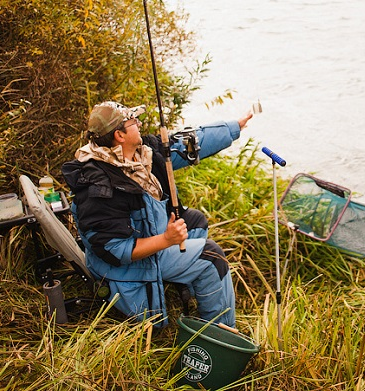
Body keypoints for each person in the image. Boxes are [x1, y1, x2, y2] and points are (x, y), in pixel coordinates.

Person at [61, 101, 252, 328]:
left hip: (148, 235)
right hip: (126, 267)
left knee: (194, 222)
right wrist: (166, 240)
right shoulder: (100, 186)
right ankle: (220, 335)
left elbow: (187, 144)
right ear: (120, 135)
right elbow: (114, 249)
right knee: (212, 257)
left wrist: (233, 127)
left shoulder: (143, 154)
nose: (139, 124)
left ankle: (192, 286)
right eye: (133, 122)